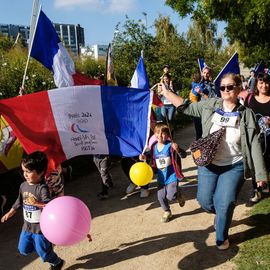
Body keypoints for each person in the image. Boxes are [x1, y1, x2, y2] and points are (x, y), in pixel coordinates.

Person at [158, 73, 268, 249]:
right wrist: (167, 92)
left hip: (234, 165)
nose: (225, 90)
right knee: (205, 201)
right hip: (208, 163)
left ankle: (221, 236)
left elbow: (254, 144)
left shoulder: (247, 115)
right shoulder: (211, 105)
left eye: (230, 86)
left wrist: (261, 175)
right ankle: (221, 214)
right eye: (222, 87)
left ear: (239, 89)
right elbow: (187, 107)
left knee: (225, 202)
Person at [1, 151, 65, 269]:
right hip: (27, 227)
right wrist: (10, 212)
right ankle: (44, 245)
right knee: (23, 249)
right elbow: (19, 201)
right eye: (23, 171)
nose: (25, 174)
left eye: (28, 172)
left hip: (40, 229)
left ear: (40, 172)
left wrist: (37, 203)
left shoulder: (42, 188)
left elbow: (50, 206)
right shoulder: (23, 185)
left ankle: (57, 262)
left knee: (44, 254)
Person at [140, 123, 186, 222]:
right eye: (157, 133)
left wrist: (178, 149)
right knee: (160, 196)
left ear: (168, 135)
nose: (160, 135)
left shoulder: (171, 146)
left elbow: (184, 155)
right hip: (161, 176)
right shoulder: (153, 147)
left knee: (171, 196)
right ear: (154, 134)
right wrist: (144, 157)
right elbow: (150, 156)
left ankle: (178, 196)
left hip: (172, 176)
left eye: (163, 133)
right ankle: (167, 212)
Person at [244, 72, 270, 203]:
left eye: (266, 82)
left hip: (269, 139)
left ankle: (266, 185)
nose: (264, 85)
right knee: (256, 164)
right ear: (257, 84)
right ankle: (256, 191)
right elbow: (244, 118)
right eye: (261, 82)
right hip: (255, 139)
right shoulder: (250, 99)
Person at [189, 72, 205, 139]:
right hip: (195, 101)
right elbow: (201, 91)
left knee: (196, 122)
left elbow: (193, 83)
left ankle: (198, 137)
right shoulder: (199, 86)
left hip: (191, 99)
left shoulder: (193, 84)